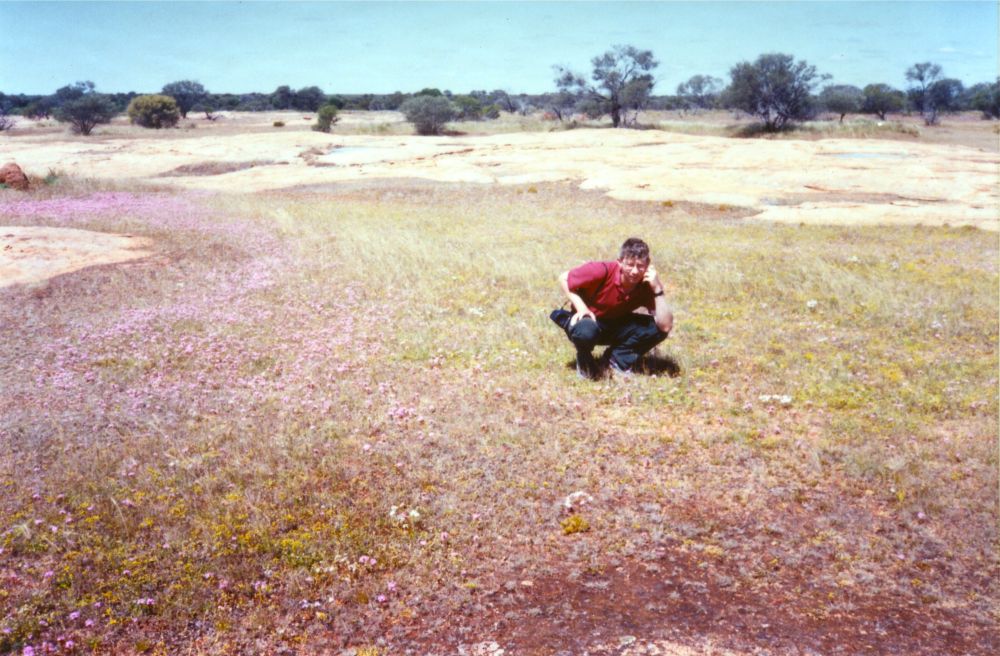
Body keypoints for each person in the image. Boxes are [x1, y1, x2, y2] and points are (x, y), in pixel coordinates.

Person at [551, 238, 673, 379]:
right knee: (586, 330)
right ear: (619, 262)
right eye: (630, 265)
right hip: (587, 321)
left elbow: (665, 326)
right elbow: (564, 278)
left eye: (640, 266)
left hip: (615, 324)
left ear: (648, 266)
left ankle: (616, 360)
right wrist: (582, 308)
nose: (634, 271)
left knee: (656, 329)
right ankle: (584, 360)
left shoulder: (647, 284)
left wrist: (658, 289)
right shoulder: (601, 270)